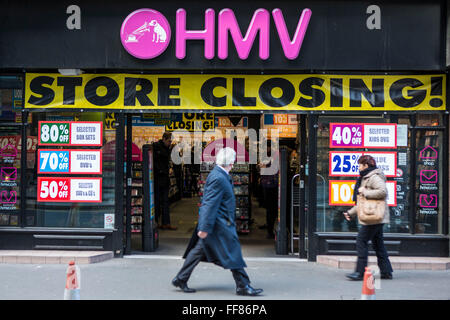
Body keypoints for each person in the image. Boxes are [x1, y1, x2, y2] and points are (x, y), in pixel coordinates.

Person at [172, 147, 263, 296]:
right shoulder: (218, 177)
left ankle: (181, 278)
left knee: (199, 250)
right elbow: (208, 204)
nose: (234, 164)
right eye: (233, 161)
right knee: (233, 253)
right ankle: (243, 285)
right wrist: (204, 227)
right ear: (230, 162)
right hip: (219, 225)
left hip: (217, 224)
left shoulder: (220, 174)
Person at [343, 155, 393, 280]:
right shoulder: (366, 177)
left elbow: (383, 192)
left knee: (361, 240)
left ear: (366, 165)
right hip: (375, 215)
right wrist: (351, 213)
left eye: (360, 165)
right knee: (378, 244)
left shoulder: (373, 177)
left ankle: (360, 272)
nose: (358, 167)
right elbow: (363, 202)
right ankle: (386, 272)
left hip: (374, 216)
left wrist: (365, 191)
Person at [153, 132, 177, 230]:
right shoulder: (156, 147)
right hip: (158, 179)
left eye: (171, 141)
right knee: (158, 201)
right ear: (163, 139)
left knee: (165, 202)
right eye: (168, 141)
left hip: (164, 179)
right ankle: (156, 222)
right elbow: (156, 163)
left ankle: (166, 223)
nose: (170, 143)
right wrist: (162, 171)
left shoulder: (167, 148)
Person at [258, 142, 279, 239]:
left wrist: (263, 166)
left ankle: (270, 230)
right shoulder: (270, 156)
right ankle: (270, 228)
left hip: (272, 185)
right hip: (268, 185)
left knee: (271, 209)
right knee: (270, 208)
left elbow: (272, 168)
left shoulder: (275, 155)